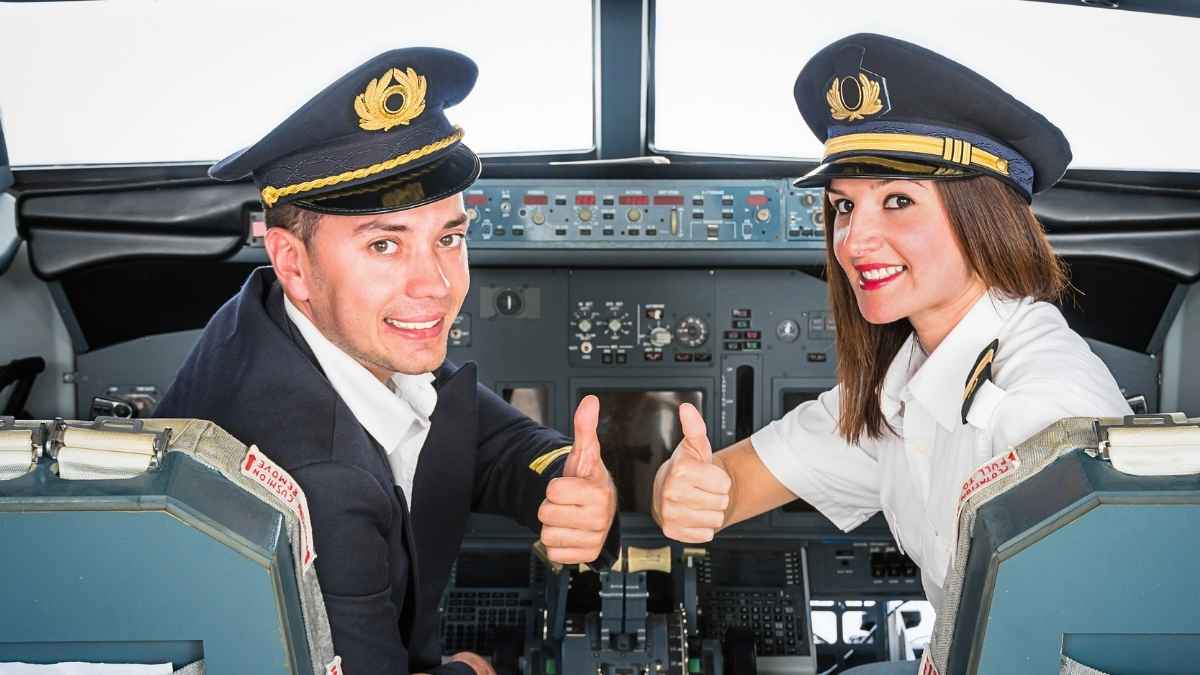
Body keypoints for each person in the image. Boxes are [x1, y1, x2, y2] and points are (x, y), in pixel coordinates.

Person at [651, 33, 1132, 672]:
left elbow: (1085, 647)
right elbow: (733, 482)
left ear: (983, 215)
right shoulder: (906, 383)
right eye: (844, 206)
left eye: (898, 200)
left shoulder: (1043, 409)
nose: (854, 240)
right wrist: (681, 490)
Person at [155, 48, 618, 675]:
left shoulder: (278, 316)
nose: (435, 285)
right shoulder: (321, 479)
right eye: (383, 245)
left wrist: (568, 479)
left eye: (448, 238)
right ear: (293, 261)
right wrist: (471, 672)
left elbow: (485, 436)